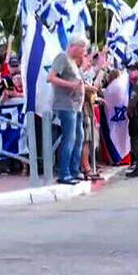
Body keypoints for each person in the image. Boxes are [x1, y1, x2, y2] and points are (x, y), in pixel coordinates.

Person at [47, 35, 90, 184]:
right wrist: (70, 85)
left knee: (79, 137)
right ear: (73, 46)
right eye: (81, 49)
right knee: (69, 138)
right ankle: (64, 173)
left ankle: (74, 169)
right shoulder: (62, 58)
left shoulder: (73, 63)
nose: (82, 53)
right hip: (66, 105)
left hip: (76, 106)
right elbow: (51, 78)